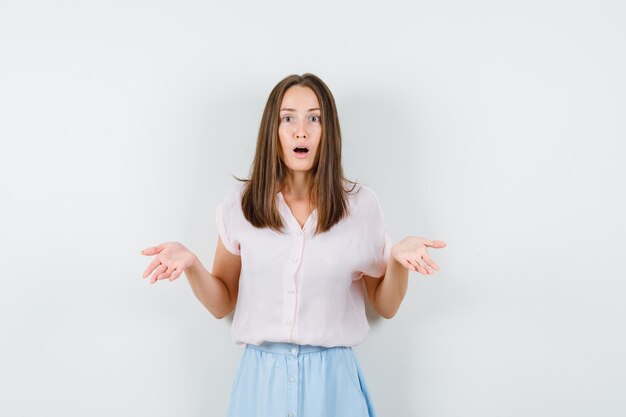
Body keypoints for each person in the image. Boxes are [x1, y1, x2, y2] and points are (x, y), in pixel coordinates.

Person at [140, 73, 447, 417]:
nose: (301, 130)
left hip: (332, 383)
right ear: (273, 130)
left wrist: (397, 262)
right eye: (288, 118)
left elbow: (385, 305)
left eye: (314, 119)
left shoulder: (361, 206)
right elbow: (222, 301)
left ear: (328, 131)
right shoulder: (239, 204)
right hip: (260, 381)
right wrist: (193, 265)